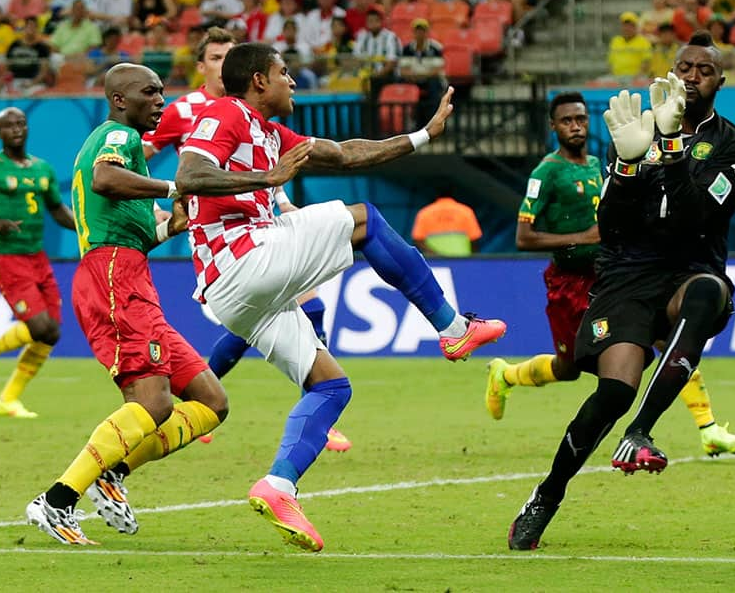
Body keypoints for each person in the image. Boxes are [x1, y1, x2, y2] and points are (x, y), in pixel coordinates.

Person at [175, 42, 507, 551]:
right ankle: (452, 329)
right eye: (285, 72)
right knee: (365, 220)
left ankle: (278, 485)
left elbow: (349, 153)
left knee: (331, 387)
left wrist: (422, 135)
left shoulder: (272, 133)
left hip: (241, 294)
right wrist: (268, 177)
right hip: (241, 256)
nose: (293, 81)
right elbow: (189, 175)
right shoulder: (227, 112)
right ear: (259, 80)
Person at [507, 31, 735, 550]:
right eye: (684, 66)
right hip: (627, 273)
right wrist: (625, 167)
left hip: (689, 267)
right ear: (672, 70)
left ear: (720, 82)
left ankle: (640, 432)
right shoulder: (635, 128)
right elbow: (612, 223)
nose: (691, 76)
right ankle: (547, 496)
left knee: (708, 292)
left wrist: (668, 153)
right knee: (613, 390)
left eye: (704, 70)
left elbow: (696, 219)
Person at [25, 64, 230, 545]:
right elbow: (104, 180)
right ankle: (57, 501)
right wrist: (175, 187)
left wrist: (170, 226)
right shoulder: (118, 136)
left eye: (162, 91)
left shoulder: (126, 152)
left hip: (130, 272)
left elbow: (131, 227)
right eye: (149, 92)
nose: (160, 100)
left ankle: (111, 473)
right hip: (114, 278)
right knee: (153, 403)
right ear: (120, 100)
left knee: (211, 400)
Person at [486, 91, 735, 452]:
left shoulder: (601, 162)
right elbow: (524, 236)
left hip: (615, 274)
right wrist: (582, 237)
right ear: (553, 127)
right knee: (568, 368)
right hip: (570, 283)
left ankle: (707, 428)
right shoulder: (546, 173)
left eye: (581, 119)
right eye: (567, 121)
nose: (576, 127)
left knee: (670, 339)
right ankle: (507, 375)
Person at [143, 27, 350, 451]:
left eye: (230, 56)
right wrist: (156, 201)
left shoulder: (250, 113)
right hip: (217, 237)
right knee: (283, 309)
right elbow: (136, 155)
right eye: (216, 57)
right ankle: (308, 401)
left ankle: (215, 394)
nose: (224, 65)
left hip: (261, 223)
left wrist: (283, 200)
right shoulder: (186, 110)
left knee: (293, 310)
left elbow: (266, 160)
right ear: (202, 67)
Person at [0, 108, 75, 418]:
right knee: (40, 326)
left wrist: (88, 228)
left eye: (21, 123)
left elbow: (58, 211)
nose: (16, 129)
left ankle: (7, 399)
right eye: (8, 126)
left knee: (51, 333)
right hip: (8, 258)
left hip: (38, 257)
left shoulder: (43, 169)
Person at [411, 188, 482, 256]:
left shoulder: (424, 213)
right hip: (462, 260)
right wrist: (473, 260)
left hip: (436, 263)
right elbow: (475, 240)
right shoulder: (466, 211)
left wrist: (434, 255)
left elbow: (417, 240)